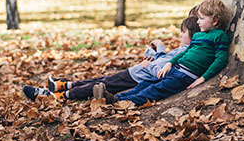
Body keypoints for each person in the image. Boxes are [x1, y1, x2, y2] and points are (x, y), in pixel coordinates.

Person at [22, 15, 200, 101]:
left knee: (100, 85)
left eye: (183, 32)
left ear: (192, 35)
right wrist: (153, 56)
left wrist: (158, 52)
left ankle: (55, 96)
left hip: (138, 76)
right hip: (137, 72)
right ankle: (63, 85)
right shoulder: (185, 48)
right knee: (101, 79)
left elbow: (160, 69)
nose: (180, 35)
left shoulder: (186, 51)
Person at [94, 0, 231, 106]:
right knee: (146, 84)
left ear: (215, 20)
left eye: (201, 19)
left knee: (155, 90)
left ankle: (122, 103)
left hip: (185, 76)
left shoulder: (219, 36)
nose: (198, 22)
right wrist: (169, 64)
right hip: (175, 69)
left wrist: (203, 78)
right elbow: (184, 53)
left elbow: (220, 60)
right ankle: (114, 98)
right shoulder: (198, 36)